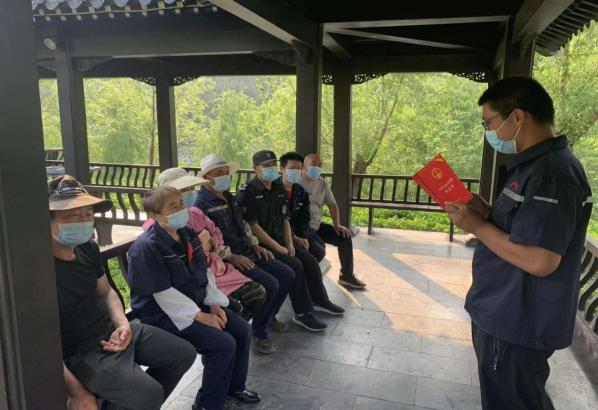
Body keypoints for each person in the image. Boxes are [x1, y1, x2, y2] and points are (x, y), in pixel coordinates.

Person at [446, 76, 593, 410]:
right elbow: (521, 228)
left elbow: (540, 260)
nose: (488, 131)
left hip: (517, 316)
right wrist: (484, 210)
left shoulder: (552, 174)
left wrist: (476, 226)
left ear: (517, 116)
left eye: (488, 122)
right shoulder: (533, 166)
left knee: (511, 401)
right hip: (503, 308)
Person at [49, 175, 196, 410]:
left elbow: (106, 292)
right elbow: (36, 342)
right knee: (149, 394)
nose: (84, 221)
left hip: (110, 330)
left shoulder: (87, 248)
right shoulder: (38, 270)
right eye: (73, 215)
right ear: (48, 221)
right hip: (80, 352)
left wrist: (122, 324)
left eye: (88, 213)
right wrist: (76, 392)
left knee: (183, 353)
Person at [142, 168, 268, 334]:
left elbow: (216, 234)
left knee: (258, 292)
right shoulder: (156, 234)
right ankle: (229, 332)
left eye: (190, 189)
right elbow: (182, 264)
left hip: (213, 270)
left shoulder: (194, 214)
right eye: (183, 190)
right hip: (193, 283)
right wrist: (205, 241)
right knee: (235, 309)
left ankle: (242, 331)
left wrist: (209, 241)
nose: (188, 194)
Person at [194, 154, 299, 343]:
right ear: (206, 177)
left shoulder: (228, 196)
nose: (224, 176)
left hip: (248, 250)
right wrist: (232, 256)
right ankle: (258, 333)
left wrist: (254, 244)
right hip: (229, 260)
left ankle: (267, 317)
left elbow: (242, 225)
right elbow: (209, 243)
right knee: (271, 284)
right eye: (219, 173)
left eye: (226, 172)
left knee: (287, 274)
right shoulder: (201, 205)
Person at [236, 150, 345, 330]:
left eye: (273, 164)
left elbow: (285, 219)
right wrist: (279, 247)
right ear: (255, 169)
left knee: (309, 260)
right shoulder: (249, 192)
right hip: (261, 245)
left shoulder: (278, 189)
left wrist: (289, 242)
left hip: (281, 240)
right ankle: (302, 313)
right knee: (295, 265)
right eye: (266, 166)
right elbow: (253, 227)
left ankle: (320, 301)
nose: (271, 168)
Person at [300, 153, 367, 289]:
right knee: (318, 250)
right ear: (304, 165)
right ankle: (305, 281)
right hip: (302, 228)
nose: (317, 167)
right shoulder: (295, 182)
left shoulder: (322, 183)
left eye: (320, 165)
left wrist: (337, 225)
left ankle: (346, 276)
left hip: (317, 225)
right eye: (313, 164)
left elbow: (332, 205)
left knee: (344, 237)